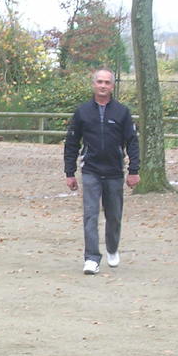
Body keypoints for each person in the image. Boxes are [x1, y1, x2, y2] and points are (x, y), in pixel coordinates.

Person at [63, 68, 140, 275]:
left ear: (112, 86)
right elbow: (71, 143)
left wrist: (134, 170)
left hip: (114, 172)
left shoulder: (122, 112)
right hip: (91, 171)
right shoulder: (82, 112)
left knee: (114, 215)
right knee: (90, 215)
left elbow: (132, 142)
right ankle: (91, 258)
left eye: (107, 82)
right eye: (99, 82)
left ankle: (112, 248)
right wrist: (69, 172)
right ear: (93, 84)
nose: (103, 86)